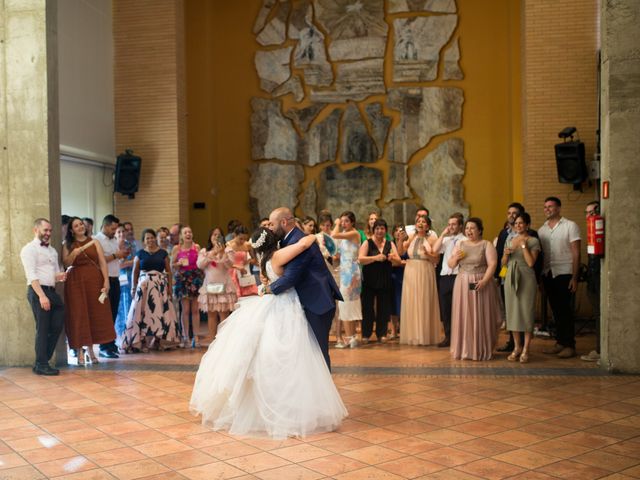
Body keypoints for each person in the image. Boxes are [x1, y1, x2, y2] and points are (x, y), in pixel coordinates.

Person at [190, 227, 347, 438]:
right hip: (285, 306)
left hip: (273, 304)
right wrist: (314, 236)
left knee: (272, 352)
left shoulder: (264, 260)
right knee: (292, 352)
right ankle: (292, 406)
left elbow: (268, 282)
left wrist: (265, 286)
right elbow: (301, 245)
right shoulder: (278, 255)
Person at [266, 207, 343, 367]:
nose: (271, 229)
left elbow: (290, 278)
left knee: (318, 354)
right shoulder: (291, 240)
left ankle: (323, 391)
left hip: (317, 302)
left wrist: (267, 289)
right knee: (307, 354)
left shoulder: (299, 241)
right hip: (305, 301)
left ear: (283, 222)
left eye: (272, 225)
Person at [62, 217, 116, 365]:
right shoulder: (67, 244)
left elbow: (102, 262)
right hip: (75, 283)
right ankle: (79, 351)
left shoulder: (94, 241)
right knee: (79, 315)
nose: (80, 227)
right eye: (76, 225)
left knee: (93, 314)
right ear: (71, 230)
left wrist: (106, 281)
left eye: (81, 224)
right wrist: (74, 252)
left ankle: (91, 350)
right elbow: (66, 263)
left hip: (94, 281)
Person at [448, 217, 503, 360]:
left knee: (480, 315)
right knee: (464, 315)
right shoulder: (460, 244)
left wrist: (484, 280)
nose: (469, 231)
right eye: (467, 228)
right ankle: (465, 349)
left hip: (481, 282)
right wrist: (455, 259)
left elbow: (493, 264)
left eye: (472, 228)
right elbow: (451, 264)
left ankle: (480, 349)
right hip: (462, 282)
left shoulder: (486, 244)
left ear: (479, 230)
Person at [20, 218, 67, 375]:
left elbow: (51, 274)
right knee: (43, 328)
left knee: (56, 325)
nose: (48, 233)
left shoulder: (52, 251)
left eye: (50, 231)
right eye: (45, 230)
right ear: (36, 230)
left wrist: (58, 276)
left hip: (51, 292)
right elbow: (31, 274)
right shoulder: (29, 249)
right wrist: (41, 296)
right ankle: (41, 364)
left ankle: (42, 360)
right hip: (38, 292)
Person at [121, 229, 180, 352]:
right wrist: (133, 287)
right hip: (144, 288)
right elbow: (135, 272)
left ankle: (159, 340)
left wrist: (169, 288)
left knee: (160, 313)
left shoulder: (163, 253)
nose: (150, 240)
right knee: (143, 313)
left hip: (160, 288)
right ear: (143, 241)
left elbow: (168, 272)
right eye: (147, 238)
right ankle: (142, 341)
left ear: (155, 238)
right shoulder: (140, 253)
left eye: (152, 237)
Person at [538, 196, 581, 359]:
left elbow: (576, 252)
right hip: (548, 274)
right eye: (545, 207)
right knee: (555, 311)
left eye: (550, 206)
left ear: (558, 208)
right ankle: (560, 342)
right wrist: (541, 279)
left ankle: (570, 345)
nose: (547, 209)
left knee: (565, 311)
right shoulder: (542, 230)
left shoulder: (570, 226)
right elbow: (542, 257)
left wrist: (575, 277)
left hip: (565, 273)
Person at [502, 213, 541, 363]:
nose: (518, 226)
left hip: (526, 277)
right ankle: (517, 347)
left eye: (521, 223)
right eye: (516, 223)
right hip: (510, 276)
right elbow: (503, 263)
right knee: (512, 313)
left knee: (526, 312)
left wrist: (524, 246)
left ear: (527, 225)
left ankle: (526, 348)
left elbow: (531, 263)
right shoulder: (510, 240)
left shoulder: (533, 241)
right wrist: (505, 255)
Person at [400, 215, 441, 346]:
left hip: (425, 270)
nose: (421, 223)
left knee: (424, 300)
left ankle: (425, 335)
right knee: (412, 301)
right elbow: (401, 252)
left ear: (428, 226)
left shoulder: (432, 238)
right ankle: (413, 336)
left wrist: (428, 254)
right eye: (418, 221)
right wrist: (400, 240)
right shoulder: (411, 236)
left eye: (423, 222)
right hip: (411, 270)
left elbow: (436, 260)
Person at [358, 219, 400, 343]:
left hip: (385, 279)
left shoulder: (390, 244)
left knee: (384, 307)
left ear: (385, 230)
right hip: (369, 280)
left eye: (382, 228)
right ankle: (366, 333)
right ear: (373, 230)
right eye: (377, 228)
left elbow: (398, 261)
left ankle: (381, 333)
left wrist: (393, 258)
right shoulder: (367, 242)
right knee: (367, 308)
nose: (379, 231)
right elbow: (360, 259)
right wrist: (375, 258)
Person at [94, 214, 127, 359]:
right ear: (105, 226)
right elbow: (98, 260)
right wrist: (116, 255)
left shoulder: (114, 240)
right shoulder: (97, 240)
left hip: (116, 278)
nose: (115, 232)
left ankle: (110, 342)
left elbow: (116, 257)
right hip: (104, 280)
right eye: (113, 229)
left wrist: (119, 255)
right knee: (105, 314)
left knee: (114, 312)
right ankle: (103, 346)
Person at [494, 203, 525, 352]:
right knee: (508, 310)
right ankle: (512, 342)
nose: (511, 216)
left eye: (515, 213)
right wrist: (498, 277)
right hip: (505, 274)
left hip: (522, 275)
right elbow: (498, 255)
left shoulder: (529, 233)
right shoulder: (503, 233)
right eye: (509, 213)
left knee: (521, 309)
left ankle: (523, 344)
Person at [197, 228, 237, 341]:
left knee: (224, 314)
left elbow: (230, 265)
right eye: (214, 234)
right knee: (211, 315)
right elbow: (200, 265)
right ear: (210, 237)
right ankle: (212, 340)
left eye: (219, 235)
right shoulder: (205, 251)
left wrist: (222, 253)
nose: (216, 237)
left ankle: (223, 341)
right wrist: (213, 253)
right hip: (210, 286)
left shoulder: (228, 250)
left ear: (223, 238)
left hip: (224, 286)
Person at [331, 211, 362, 348]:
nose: (343, 224)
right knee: (345, 305)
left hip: (351, 273)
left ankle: (351, 337)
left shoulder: (354, 233)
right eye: (342, 221)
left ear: (352, 222)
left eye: (346, 221)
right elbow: (337, 250)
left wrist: (336, 223)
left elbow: (333, 235)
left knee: (347, 304)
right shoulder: (345, 237)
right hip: (345, 271)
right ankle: (351, 337)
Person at [435, 213, 466, 348]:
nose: (451, 227)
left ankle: (460, 337)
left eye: (454, 224)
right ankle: (448, 337)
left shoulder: (464, 240)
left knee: (459, 308)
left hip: (458, 275)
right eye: (449, 224)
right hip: (445, 276)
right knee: (446, 309)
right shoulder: (446, 240)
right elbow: (434, 250)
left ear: (460, 225)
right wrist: (443, 233)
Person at [171, 225, 204, 348]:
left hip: (195, 279)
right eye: (185, 232)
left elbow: (201, 263)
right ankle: (185, 337)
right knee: (185, 310)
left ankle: (196, 336)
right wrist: (177, 264)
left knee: (195, 310)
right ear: (181, 235)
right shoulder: (176, 248)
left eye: (190, 232)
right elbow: (171, 265)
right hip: (183, 279)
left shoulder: (197, 247)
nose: (188, 234)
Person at [582, 200, 601, 362]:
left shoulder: (599, 228)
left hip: (599, 280)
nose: (588, 216)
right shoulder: (590, 230)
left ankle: (601, 350)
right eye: (587, 213)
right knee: (597, 314)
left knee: (600, 315)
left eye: (591, 213)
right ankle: (599, 349)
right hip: (592, 279)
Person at [226, 225, 259, 298]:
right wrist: (237, 266)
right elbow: (226, 262)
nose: (243, 241)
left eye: (245, 239)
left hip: (244, 271)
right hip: (232, 272)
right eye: (240, 238)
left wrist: (248, 262)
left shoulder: (247, 245)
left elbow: (253, 259)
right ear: (235, 235)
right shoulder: (229, 245)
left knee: (250, 295)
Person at [389, 224, 408, 339]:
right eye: (395, 230)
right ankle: (393, 330)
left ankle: (404, 329)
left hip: (404, 275)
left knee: (403, 302)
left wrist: (401, 240)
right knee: (393, 303)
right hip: (393, 275)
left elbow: (400, 255)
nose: (398, 233)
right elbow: (395, 260)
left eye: (400, 230)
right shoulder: (390, 244)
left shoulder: (406, 243)